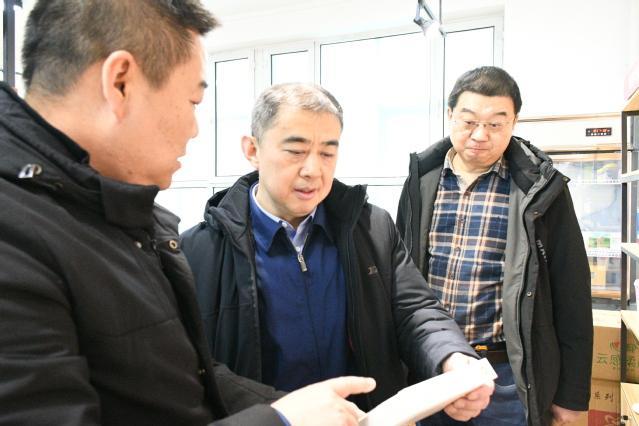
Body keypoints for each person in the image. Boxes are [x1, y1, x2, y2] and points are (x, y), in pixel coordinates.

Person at [0, 1, 381, 425]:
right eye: (193, 101)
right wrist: (280, 421)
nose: (195, 129)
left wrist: (287, 407)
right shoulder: (14, 234)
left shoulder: (120, 216)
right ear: (120, 82)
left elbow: (184, 379)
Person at [179, 82, 494, 421]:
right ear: (253, 150)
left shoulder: (370, 228)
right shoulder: (198, 251)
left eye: (327, 154)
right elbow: (195, 365)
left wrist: (450, 356)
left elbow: (415, 310)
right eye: (295, 151)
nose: (313, 170)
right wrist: (283, 414)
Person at [396, 66, 593, 426]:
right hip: (433, 369)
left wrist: (572, 393)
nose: (479, 135)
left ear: (514, 122)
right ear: (450, 115)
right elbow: (403, 280)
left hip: (506, 375)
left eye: (495, 124)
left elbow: (572, 291)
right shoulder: (421, 180)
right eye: (468, 121)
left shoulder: (539, 188)